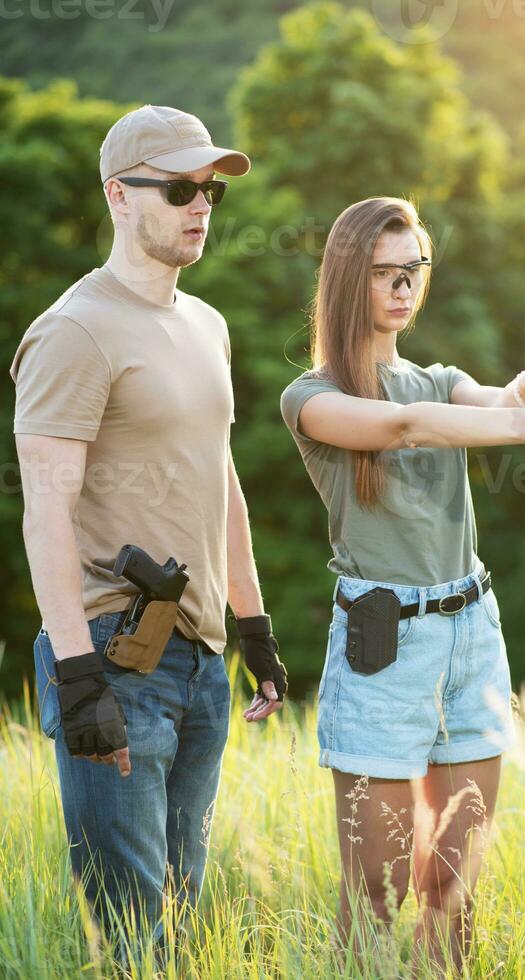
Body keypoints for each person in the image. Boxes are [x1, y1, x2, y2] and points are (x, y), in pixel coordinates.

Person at [280, 196, 525, 974]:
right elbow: (402, 428)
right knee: (377, 897)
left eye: (413, 270)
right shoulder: (312, 398)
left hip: (471, 637)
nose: (401, 287)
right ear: (347, 279)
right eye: (383, 273)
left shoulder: (438, 377)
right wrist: (522, 425)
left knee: (453, 894)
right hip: (386, 650)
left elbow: (486, 401)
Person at [10, 104, 288, 959]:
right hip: (114, 662)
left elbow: (220, 478)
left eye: (208, 190)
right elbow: (45, 507)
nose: (200, 204)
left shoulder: (207, 325)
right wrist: (78, 673)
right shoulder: (74, 331)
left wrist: (254, 625)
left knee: (184, 912)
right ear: (119, 196)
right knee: (135, 932)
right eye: (178, 188)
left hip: (202, 660)